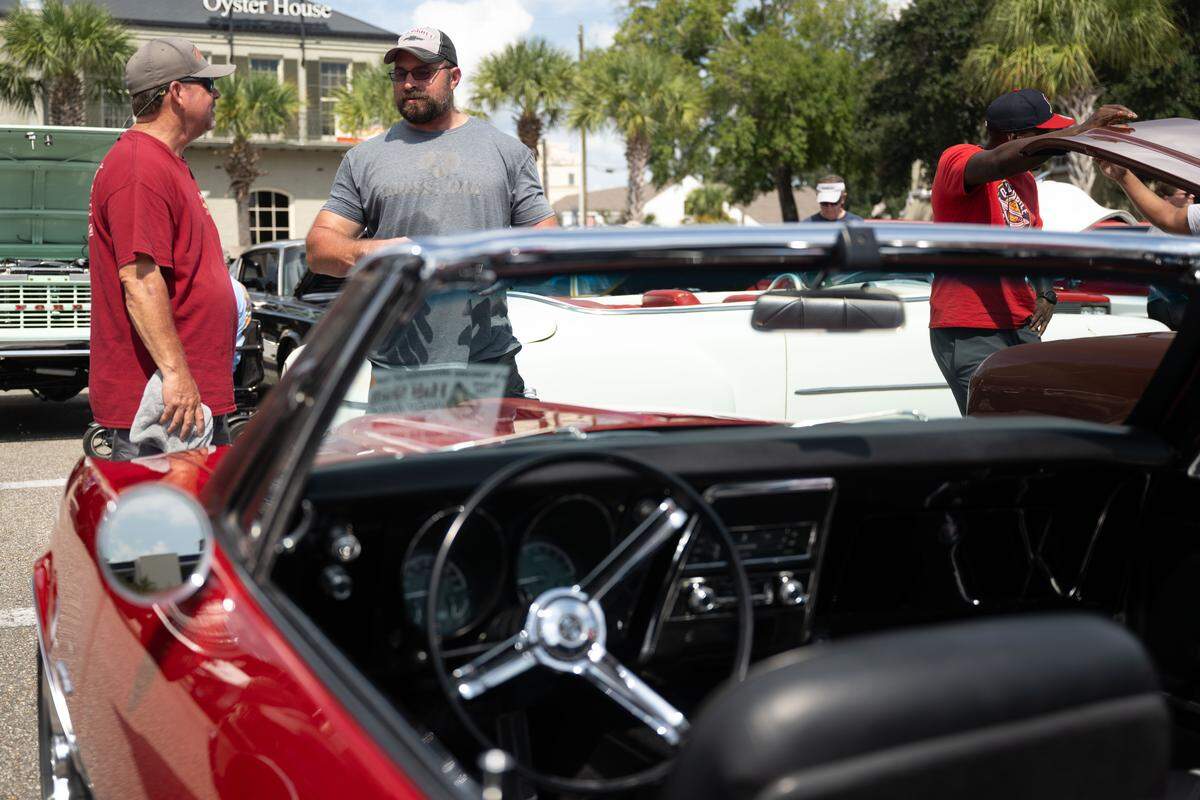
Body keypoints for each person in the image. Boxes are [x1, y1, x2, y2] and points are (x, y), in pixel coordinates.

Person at [305, 27, 556, 395]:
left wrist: (490, 259)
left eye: (422, 72)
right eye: (400, 74)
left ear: (453, 77)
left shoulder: (507, 152)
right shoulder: (364, 158)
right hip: (399, 370)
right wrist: (371, 252)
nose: (408, 83)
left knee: (502, 454)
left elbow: (546, 239)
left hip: (487, 363)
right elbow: (318, 250)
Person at [927, 88, 1137, 414]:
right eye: (1044, 135)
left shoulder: (1024, 181)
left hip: (1020, 327)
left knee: (1037, 428)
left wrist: (1046, 291)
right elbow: (996, 161)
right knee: (999, 435)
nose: (1053, 142)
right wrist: (1078, 132)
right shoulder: (958, 159)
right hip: (971, 330)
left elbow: (1032, 242)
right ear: (1014, 137)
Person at [88, 38, 237, 459]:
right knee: (169, 522)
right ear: (177, 92)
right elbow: (139, 280)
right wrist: (176, 376)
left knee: (204, 521)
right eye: (207, 85)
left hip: (187, 399)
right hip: (166, 404)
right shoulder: (140, 166)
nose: (216, 95)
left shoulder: (164, 161)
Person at [1097, 161, 1200, 236]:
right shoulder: (1161, 233)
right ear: (1166, 198)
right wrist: (1122, 176)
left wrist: (1123, 176)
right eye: (1186, 194)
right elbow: (1170, 217)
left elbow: (1170, 218)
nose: (1192, 196)